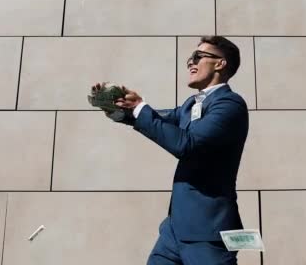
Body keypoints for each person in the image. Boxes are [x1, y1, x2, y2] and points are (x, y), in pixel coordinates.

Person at [91, 36, 249, 265]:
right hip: (174, 231)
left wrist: (141, 108)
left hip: (207, 231)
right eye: (190, 59)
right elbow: (159, 120)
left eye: (198, 57)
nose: (191, 63)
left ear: (220, 63)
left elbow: (186, 144)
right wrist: (119, 108)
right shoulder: (189, 105)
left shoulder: (229, 104)